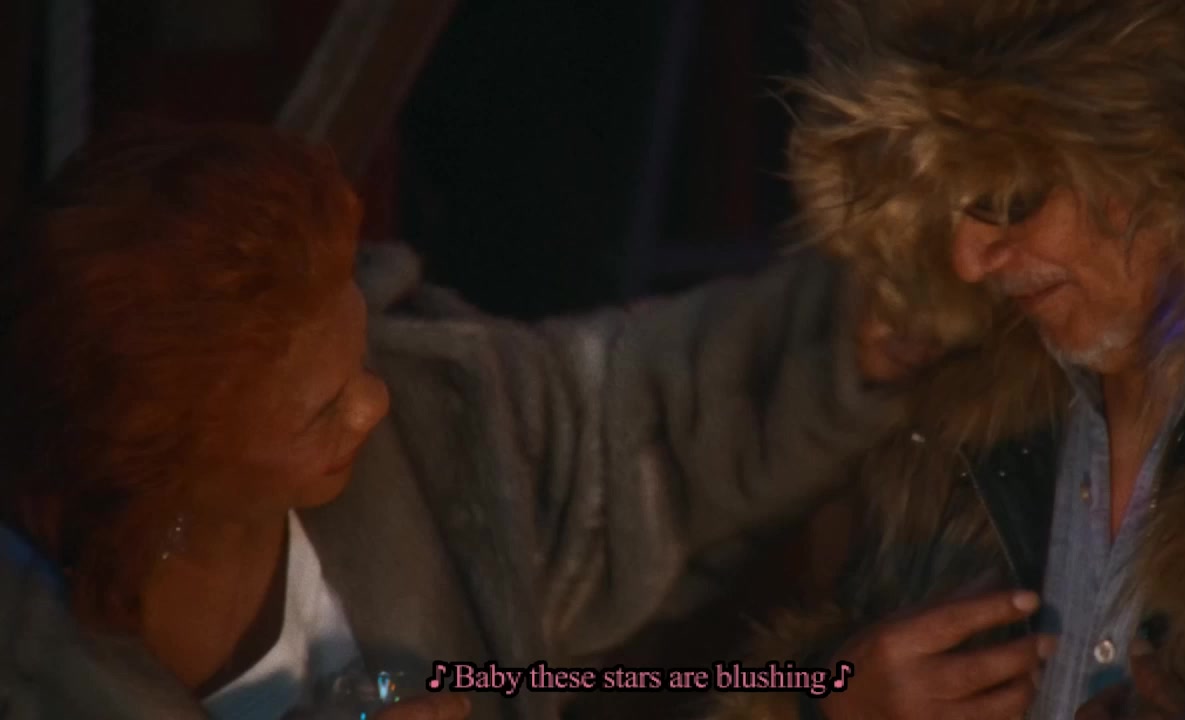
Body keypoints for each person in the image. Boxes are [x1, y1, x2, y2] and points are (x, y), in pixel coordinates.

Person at [0, 122, 898, 720]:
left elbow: (637, 423)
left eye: (359, 355)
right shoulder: (35, 672)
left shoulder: (433, 427)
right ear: (169, 466)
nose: (374, 404)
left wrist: (859, 331)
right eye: (324, 412)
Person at [711, 0, 1185, 719]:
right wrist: (823, 703)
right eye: (944, 209)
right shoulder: (952, 417)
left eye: (1011, 200)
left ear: (1175, 157)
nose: (969, 260)